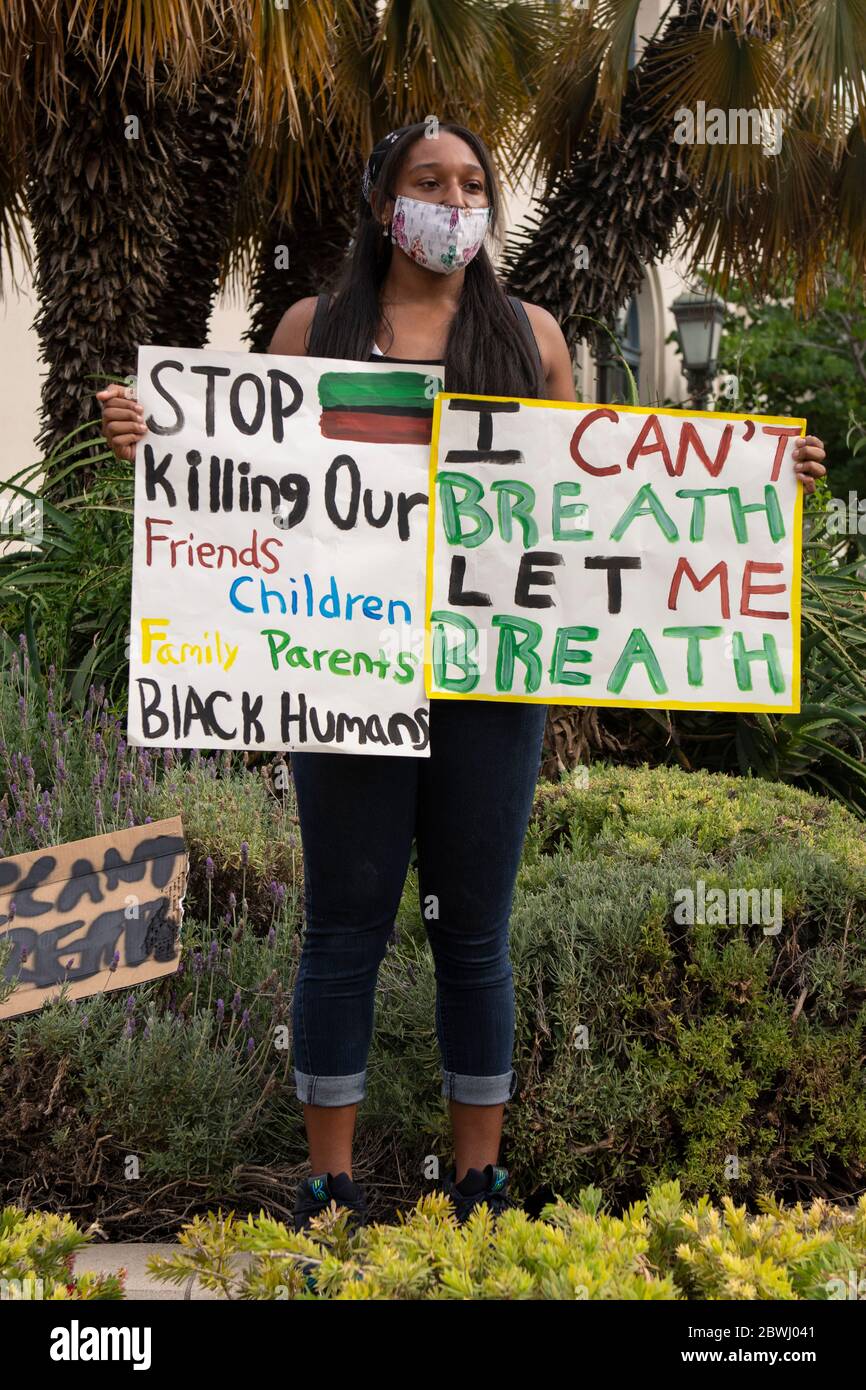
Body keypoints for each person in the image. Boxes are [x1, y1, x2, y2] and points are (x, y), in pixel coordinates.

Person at [97, 120, 828, 1234]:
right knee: (342, 926)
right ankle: (327, 1188)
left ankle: (478, 1188)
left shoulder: (530, 338)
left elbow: (596, 497)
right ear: (382, 200)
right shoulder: (313, 329)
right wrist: (154, 442)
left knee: (473, 931)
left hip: (489, 675)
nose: (454, 196)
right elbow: (239, 470)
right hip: (345, 665)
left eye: (473, 181)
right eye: (429, 180)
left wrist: (764, 474)